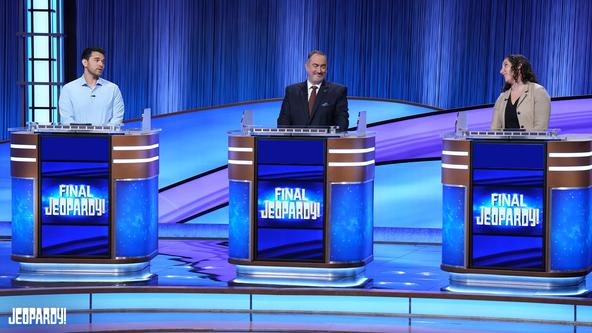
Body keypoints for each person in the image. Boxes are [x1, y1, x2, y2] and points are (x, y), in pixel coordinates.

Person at [277, 50, 349, 131]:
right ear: (307, 67)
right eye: (316, 65)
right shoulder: (292, 91)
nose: (319, 71)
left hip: (324, 142)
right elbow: (283, 124)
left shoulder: (338, 91)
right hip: (296, 142)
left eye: (323, 66)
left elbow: (342, 125)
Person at [58, 47, 124, 125]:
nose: (101, 64)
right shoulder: (68, 89)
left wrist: (102, 133)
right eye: (97, 60)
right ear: (85, 62)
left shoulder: (113, 89)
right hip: (77, 136)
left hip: (106, 136)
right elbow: (66, 119)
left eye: (103, 61)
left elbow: (117, 118)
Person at [490, 54, 550, 131]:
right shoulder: (502, 97)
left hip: (529, 143)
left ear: (519, 66)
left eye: (506, 65)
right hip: (505, 143)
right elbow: (494, 130)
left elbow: (540, 130)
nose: (501, 71)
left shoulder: (538, 92)